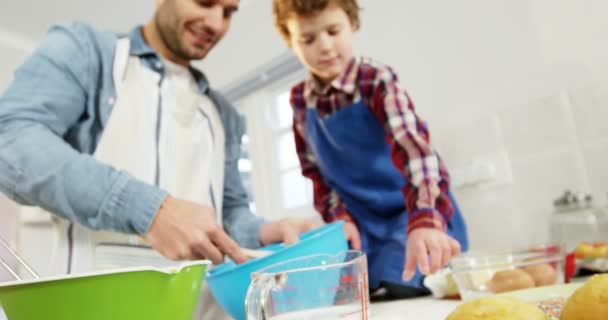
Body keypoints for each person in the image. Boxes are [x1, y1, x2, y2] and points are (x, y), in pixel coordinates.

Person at [0, 0, 316, 318]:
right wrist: (151, 211)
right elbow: (10, 141)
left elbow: (229, 214)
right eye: (205, 2)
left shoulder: (223, 115)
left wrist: (265, 232)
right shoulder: (86, 51)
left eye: (229, 12)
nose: (216, 24)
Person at [272, 0, 469, 298]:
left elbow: (414, 151)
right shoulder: (300, 100)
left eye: (333, 31)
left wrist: (426, 218)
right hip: (362, 228)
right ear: (291, 43)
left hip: (410, 216)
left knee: (401, 282)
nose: (324, 47)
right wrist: (342, 219)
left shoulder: (376, 80)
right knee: (347, 294)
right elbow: (316, 174)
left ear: (352, 24)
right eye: (308, 39)